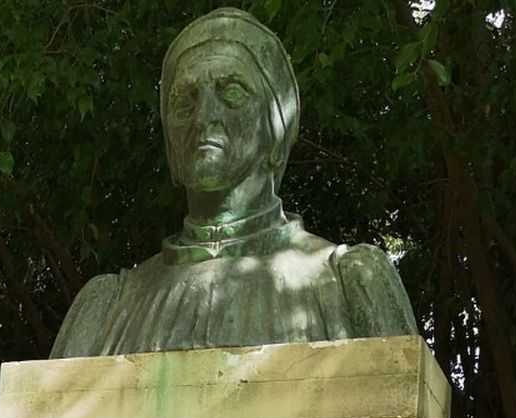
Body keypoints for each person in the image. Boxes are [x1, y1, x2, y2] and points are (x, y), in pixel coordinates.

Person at [51, 7, 417, 358]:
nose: (204, 117)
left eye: (233, 93)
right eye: (184, 100)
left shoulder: (349, 287)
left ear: (276, 131)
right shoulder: (104, 311)